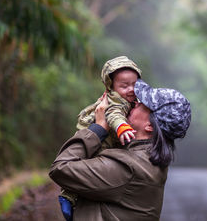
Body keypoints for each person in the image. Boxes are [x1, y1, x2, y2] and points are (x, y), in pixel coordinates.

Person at [49, 79, 191, 220]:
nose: (135, 102)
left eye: (142, 104)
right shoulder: (147, 161)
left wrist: (98, 129)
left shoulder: (130, 168)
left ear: (150, 126)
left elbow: (60, 168)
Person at [58, 56, 142, 220]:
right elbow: (113, 114)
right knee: (86, 165)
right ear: (111, 86)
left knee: (86, 167)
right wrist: (122, 127)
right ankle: (67, 195)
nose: (131, 89)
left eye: (135, 84)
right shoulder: (117, 101)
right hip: (101, 140)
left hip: (105, 138)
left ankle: (69, 195)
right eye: (124, 86)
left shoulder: (131, 99)